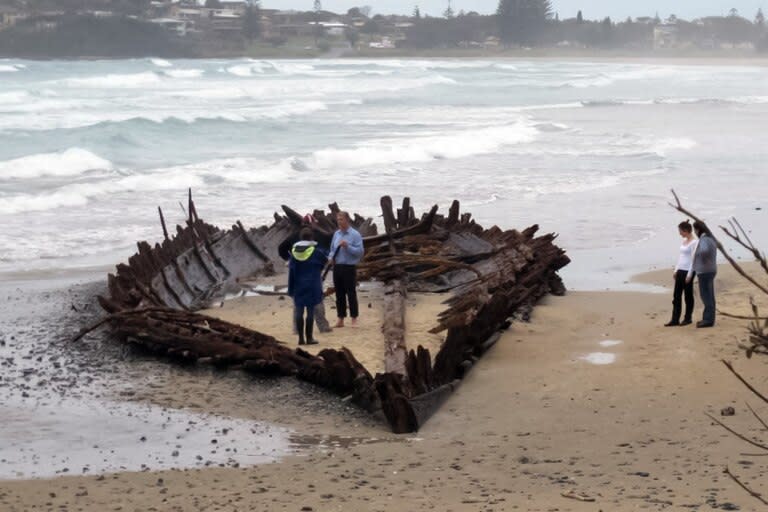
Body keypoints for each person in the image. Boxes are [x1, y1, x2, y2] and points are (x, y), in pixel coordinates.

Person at [278, 214, 333, 333]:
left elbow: (281, 248)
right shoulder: (318, 238)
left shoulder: (294, 239)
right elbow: (325, 256)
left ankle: (297, 329)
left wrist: (288, 259)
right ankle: (323, 327)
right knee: (317, 301)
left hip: (298, 276)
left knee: (298, 303)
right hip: (313, 276)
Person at [288, 228, 327, 345]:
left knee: (299, 311)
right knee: (310, 312)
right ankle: (309, 338)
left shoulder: (294, 253)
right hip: (312, 285)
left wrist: (291, 289)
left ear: (301, 238)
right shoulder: (316, 252)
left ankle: (300, 338)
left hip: (298, 285)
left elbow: (291, 271)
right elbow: (324, 262)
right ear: (311, 238)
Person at [328, 211, 364, 328]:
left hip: (349, 267)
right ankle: (340, 319)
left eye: (341, 219)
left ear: (347, 220)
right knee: (339, 294)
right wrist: (330, 258)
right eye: (338, 219)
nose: (339, 222)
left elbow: (360, 252)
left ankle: (354, 319)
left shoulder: (355, 234)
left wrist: (348, 246)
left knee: (351, 293)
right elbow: (332, 250)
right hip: (337, 267)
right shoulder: (336, 234)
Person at [665, 220, 698, 327]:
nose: (679, 233)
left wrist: (689, 274)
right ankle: (675, 319)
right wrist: (676, 270)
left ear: (686, 231)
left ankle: (688, 318)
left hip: (689, 271)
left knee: (688, 296)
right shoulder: (684, 241)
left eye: (680, 231)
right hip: (680, 270)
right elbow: (681, 257)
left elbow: (694, 260)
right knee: (676, 296)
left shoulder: (695, 242)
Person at [687, 220, 718, 328]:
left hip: (705, 271)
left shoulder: (704, 239)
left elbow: (704, 251)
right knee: (710, 295)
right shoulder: (711, 238)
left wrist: (696, 254)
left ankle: (708, 320)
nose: (694, 232)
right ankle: (710, 318)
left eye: (695, 230)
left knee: (706, 296)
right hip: (710, 269)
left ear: (698, 229)